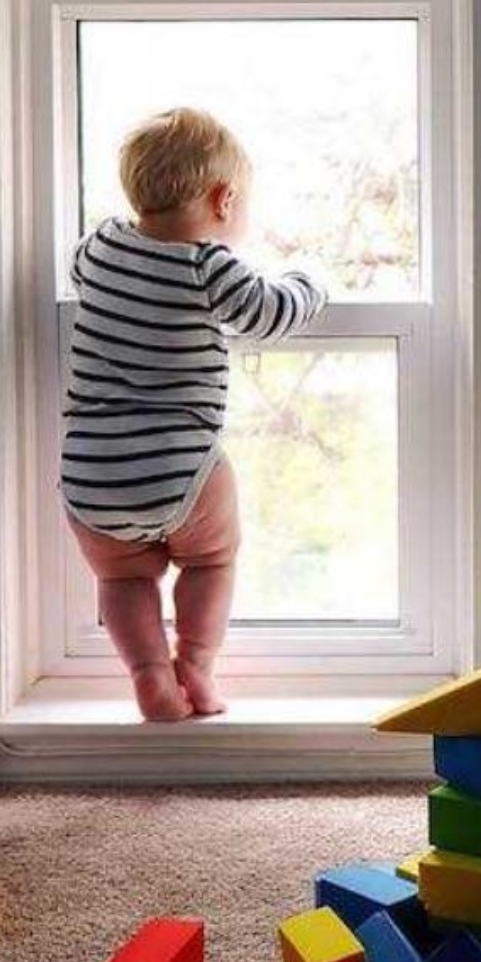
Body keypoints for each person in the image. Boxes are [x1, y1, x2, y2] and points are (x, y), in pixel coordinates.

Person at [61, 106, 326, 721]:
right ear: (223, 199)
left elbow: (79, 271)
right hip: (180, 466)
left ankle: (150, 676)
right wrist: (309, 277)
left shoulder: (100, 244)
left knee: (123, 580)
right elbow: (269, 313)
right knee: (211, 558)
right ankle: (197, 669)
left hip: (91, 475)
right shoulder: (208, 264)